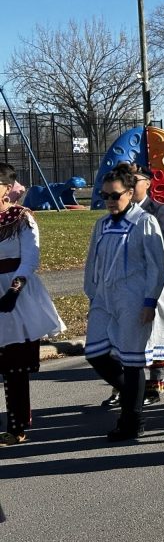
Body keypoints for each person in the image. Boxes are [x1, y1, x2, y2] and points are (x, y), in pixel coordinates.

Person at [84, 165, 164, 442]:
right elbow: (92, 263)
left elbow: (156, 266)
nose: (109, 201)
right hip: (104, 298)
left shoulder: (144, 221)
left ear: (130, 193)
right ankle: (135, 395)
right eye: (105, 195)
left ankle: (132, 420)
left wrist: (149, 300)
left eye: (115, 195)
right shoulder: (102, 224)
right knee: (95, 353)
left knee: (133, 361)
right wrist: (92, 293)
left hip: (134, 296)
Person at [100, 163, 164, 409]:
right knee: (119, 339)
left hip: (150, 282)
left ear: (147, 183)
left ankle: (154, 384)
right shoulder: (114, 214)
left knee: (152, 333)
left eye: (136, 178)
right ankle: (122, 387)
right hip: (120, 288)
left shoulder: (157, 211)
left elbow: (163, 251)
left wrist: (147, 287)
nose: (132, 182)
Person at [0, 163, 65, 446]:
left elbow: (30, 258)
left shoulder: (21, 218)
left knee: (14, 365)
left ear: (6, 188)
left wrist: (15, 289)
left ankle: (17, 427)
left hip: (15, 291)